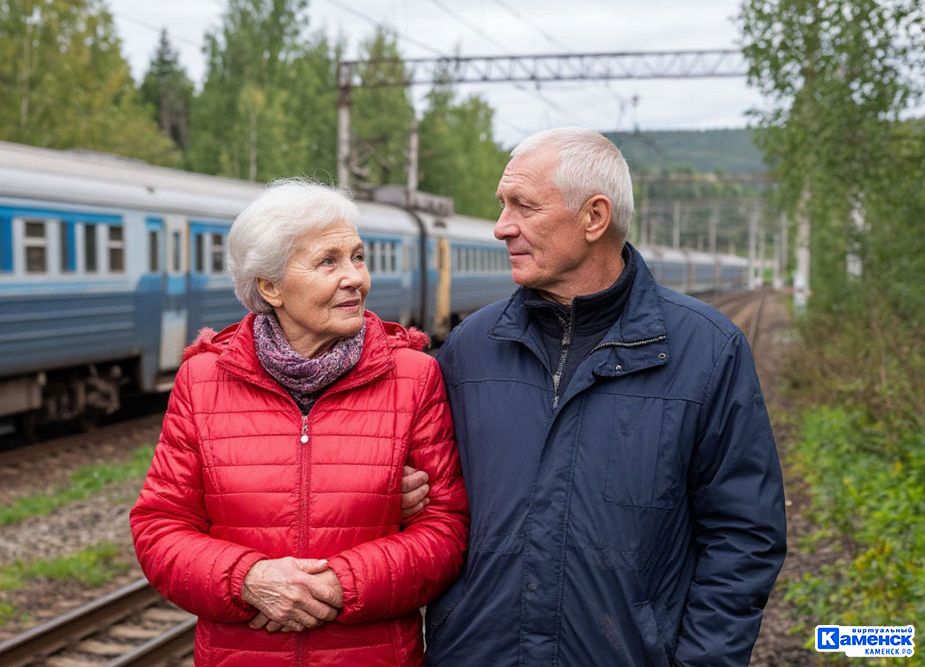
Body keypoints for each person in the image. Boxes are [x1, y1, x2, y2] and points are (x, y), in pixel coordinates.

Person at [420, 128, 786, 666]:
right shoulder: (470, 348)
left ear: (594, 217)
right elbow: (437, 501)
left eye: (523, 206)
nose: (502, 228)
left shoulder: (707, 351)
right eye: (502, 206)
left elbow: (743, 538)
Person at [130, 180, 468, 666]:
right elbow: (159, 527)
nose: (355, 277)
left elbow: (446, 531)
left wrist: (342, 584)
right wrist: (248, 581)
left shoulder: (414, 378)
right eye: (328, 261)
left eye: (357, 256)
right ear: (269, 286)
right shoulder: (201, 381)